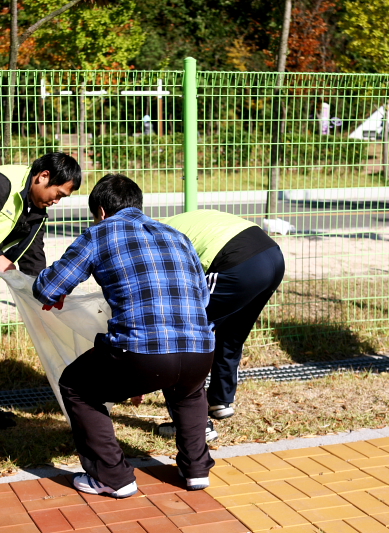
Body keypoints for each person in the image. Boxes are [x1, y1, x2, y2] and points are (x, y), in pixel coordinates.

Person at [33, 174, 216, 498]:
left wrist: (53, 290)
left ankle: (114, 477)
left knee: (76, 386)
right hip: (199, 349)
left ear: (101, 211)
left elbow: (48, 288)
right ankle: (197, 470)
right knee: (189, 394)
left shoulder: (99, 234)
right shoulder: (177, 235)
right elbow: (202, 298)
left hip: (140, 353)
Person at [0, 152, 82, 430]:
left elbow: (32, 259)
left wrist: (48, 292)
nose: (56, 201)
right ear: (43, 177)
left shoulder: (37, 212)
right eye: (58, 193)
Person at [159, 209, 285, 437]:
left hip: (237, 263)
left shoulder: (153, 239)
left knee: (181, 338)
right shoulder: (170, 223)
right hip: (273, 257)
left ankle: (193, 426)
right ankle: (221, 400)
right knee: (232, 332)